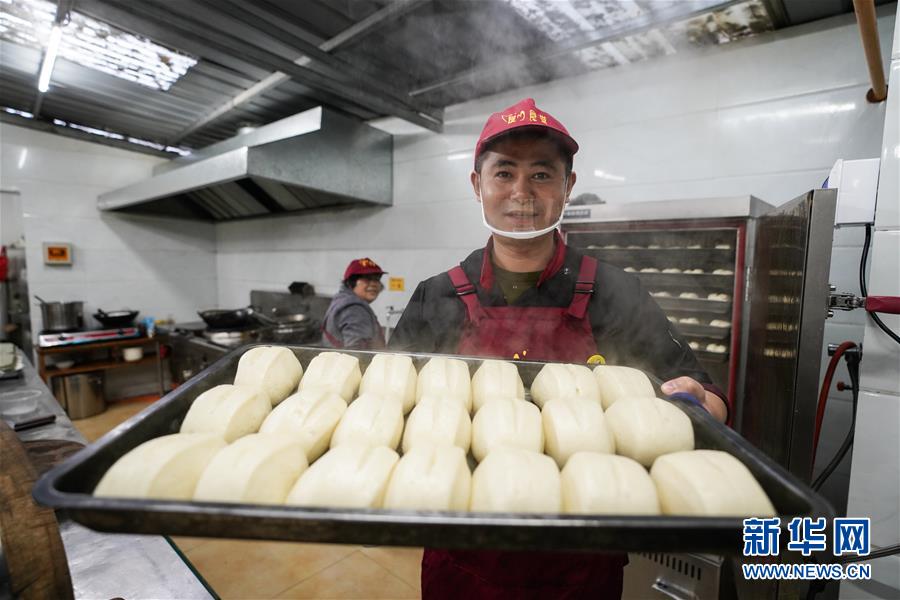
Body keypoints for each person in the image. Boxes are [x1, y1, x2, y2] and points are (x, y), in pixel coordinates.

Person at [389, 97, 729, 599]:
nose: (522, 192)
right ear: (477, 184)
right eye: (504, 173)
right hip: (462, 554)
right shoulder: (435, 295)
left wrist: (697, 404)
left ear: (568, 186)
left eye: (542, 175)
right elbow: (388, 406)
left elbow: (711, 402)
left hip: (581, 560)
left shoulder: (618, 292)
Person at [322, 258, 386, 349]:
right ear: (351, 282)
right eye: (367, 278)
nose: (374, 284)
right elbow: (357, 353)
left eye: (377, 279)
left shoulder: (342, 299)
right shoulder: (355, 309)